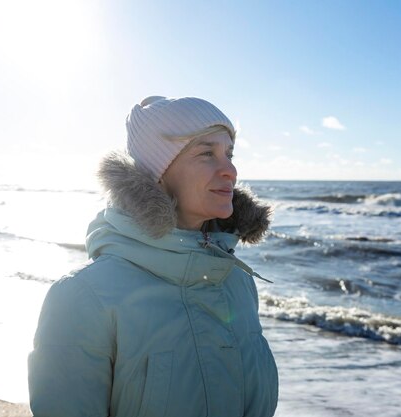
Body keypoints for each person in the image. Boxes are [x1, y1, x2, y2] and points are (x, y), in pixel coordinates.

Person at [28, 96, 279, 417]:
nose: (230, 170)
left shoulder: (237, 282)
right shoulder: (83, 298)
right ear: (157, 172)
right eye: (206, 153)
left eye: (229, 154)